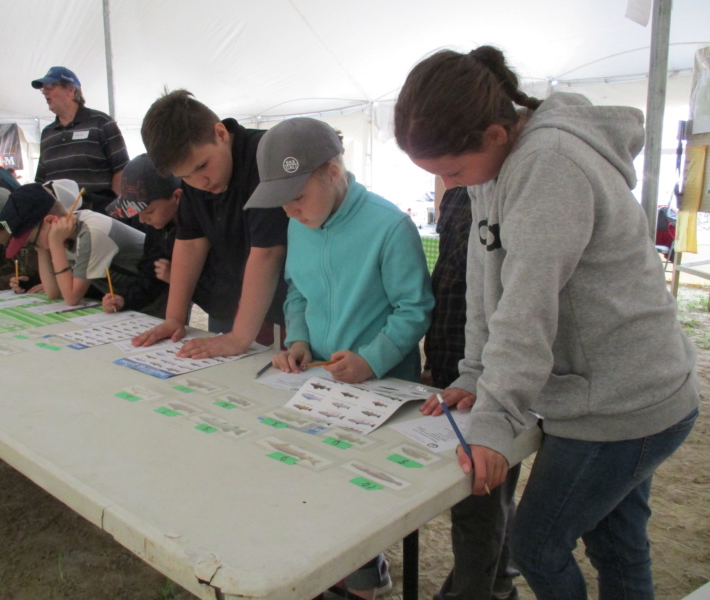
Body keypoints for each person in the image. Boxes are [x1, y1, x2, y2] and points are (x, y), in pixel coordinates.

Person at [395, 46, 700, 600]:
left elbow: (525, 308)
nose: (450, 185)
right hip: (620, 389)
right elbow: (486, 283)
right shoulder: (499, 166)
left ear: (493, 134)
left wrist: (494, 419)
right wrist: (473, 374)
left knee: (536, 544)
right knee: (618, 542)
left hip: (623, 402)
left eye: (452, 171)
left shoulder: (548, 164)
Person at [245, 117, 433, 599]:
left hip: (381, 388)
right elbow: (297, 292)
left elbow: (414, 309)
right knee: (310, 475)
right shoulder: (301, 223)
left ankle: (366, 579)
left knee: (360, 492)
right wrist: (300, 340)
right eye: (282, 200)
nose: (290, 210)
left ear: (331, 172)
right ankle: (327, 568)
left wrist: (372, 359)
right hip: (318, 380)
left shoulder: (389, 225)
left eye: (297, 196)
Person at [131, 90, 288, 358]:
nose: (199, 183)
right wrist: (174, 317)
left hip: (292, 302)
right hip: (234, 298)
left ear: (220, 134)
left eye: (203, 166)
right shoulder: (196, 176)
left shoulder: (265, 157)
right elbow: (189, 243)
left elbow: (268, 252)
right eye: (185, 176)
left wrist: (239, 338)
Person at [423, 185, 520, 600]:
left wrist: (486, 380)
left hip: (496, 372)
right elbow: (448, 283)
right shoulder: (462, 193)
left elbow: (512, 303)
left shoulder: (511, 190)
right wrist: (436, 366)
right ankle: (497, 582)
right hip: (454, 365)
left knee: (479, 501)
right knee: (481, 497)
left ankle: (480, 590)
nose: (443, 175)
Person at [0, 182, 144, 307]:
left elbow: (71, 297)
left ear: (50, 222)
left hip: (155, 298)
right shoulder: (63, 233)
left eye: (31, 242)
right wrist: (42, 249)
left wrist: (55, 244)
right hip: (132, 301)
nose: (33, 246)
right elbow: (53, 292)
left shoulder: (92, 231)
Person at [31, 66, 129, 213]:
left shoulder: (101, 123)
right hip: (59, 219)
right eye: (43, 88)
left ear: (71, 90)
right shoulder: (47, 133)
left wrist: (112, 209)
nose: (45, 91)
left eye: (50, 86)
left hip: (98, 214)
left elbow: (122, 168)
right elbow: (41, 180)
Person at [100, 153, 183, 317]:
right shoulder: (158, 224)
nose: (142, 219)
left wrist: (180, 279)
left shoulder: (201, 224)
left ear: (177, 197)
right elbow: (149, 274)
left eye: (149, 211)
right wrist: (124, 298)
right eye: (136, 212)